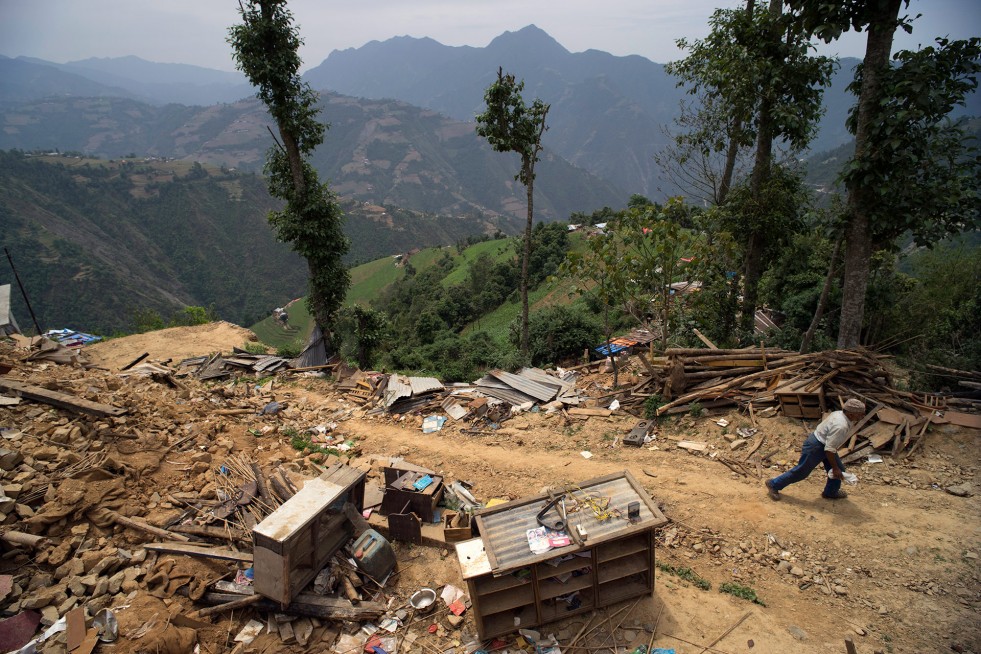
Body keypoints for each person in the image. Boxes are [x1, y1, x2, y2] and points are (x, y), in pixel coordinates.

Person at [765, 398, 866, 501]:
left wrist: (836, 467)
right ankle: (773, 484)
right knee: (802, 472)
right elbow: (829, 450)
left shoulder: (839, 414)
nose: (862, 417)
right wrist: (834, 468)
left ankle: (830, 492)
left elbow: (829, 448)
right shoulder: (841, 426)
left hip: (823, 443)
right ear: (851, 414)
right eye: (860, 414)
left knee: (840, 469)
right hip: (816, 447)